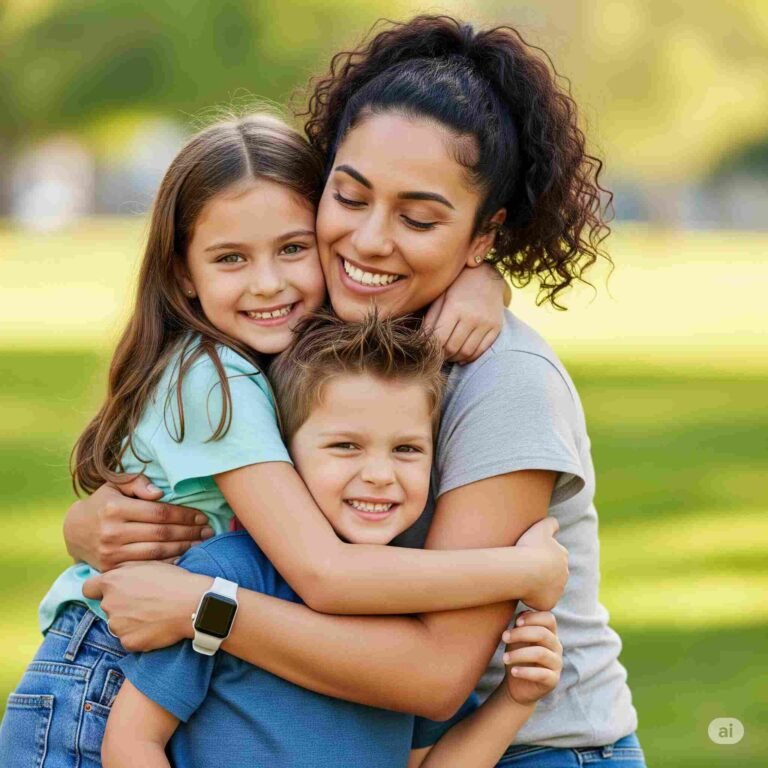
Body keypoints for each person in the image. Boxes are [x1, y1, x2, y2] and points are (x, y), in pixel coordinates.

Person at [71, 13, 647, 768]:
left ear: (483, 236)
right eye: (349, 198)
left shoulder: (502, 382)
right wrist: (93, 531)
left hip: (530, 750)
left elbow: (437, 676)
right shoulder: (306, 336)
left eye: (418, 217)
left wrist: (206, 610)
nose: (371, 240)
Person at [0, 110, 566, 768]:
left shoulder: (283, 359)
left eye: (292, 249)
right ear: (183, 271)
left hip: (163, 662)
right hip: (102, 674)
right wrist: (524, 570)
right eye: (231, 258)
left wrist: (478, 278)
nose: (268, 283)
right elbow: (325, 574)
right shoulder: (216, 378)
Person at [102, 310, 564, 768]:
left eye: (406, 449)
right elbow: (131, 742)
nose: (380, 475)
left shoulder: (420, 604)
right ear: (283, 454)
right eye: (346, 446)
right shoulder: (226, 574)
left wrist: (516, 699)